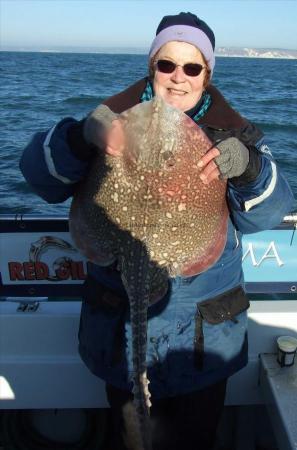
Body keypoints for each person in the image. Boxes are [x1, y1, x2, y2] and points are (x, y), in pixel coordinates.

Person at [20, 12, 293, 450]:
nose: (178, 78)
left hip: (205, 342)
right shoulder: (110, 122)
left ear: (207, 74)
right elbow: (38, 175)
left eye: (192, 67)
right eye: (167, 64)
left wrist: (249, 167)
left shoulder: (234, 133)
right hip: (118, 331)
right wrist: (78, 137)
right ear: (152, 67)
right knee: (135, 437)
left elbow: (269, 214)